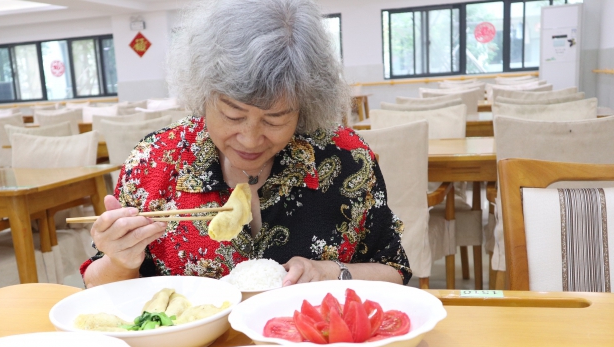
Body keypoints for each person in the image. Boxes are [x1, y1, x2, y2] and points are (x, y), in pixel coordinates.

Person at [81, 0, 411, 287]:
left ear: (305, 105)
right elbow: (97, 285)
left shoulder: (346, 159)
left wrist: (330, 272)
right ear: (203, 94)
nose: (251, 139)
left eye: (275, 119)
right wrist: (120, 261)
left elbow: (394, 271)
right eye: (233, 115)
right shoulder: (153, 163)